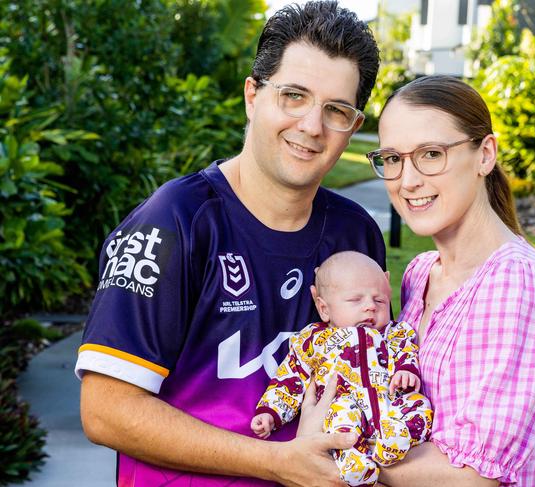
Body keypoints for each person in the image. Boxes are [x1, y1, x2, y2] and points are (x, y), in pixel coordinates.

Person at [75, 2, 383, 486]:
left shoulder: (355, 235)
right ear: (252, 96)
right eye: (294, 96)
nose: (311, 125)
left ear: (354, 127)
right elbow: (106, 409)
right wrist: (277, 463)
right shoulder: (173, 222)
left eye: (336, 110)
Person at [362, 75, 535, 486]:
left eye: (430, 154)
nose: (407, 179)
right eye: (392, 158)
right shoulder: (421, 273)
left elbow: (471, 477)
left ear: (485, 155)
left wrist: (338, 449)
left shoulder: (517, 282)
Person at [251, 251, 433, 486]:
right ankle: (354, 461)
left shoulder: (395, 333)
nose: (370, 307)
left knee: (419, 404)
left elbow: (406, 350)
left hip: (390, 405)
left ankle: (396, 439)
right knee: (340, 417)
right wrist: (271, 412)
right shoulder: (314, 341)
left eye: (379, 300)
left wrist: (406, 369)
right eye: (356, 300)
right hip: (346, 406)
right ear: (324, 308)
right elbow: (290, 378)